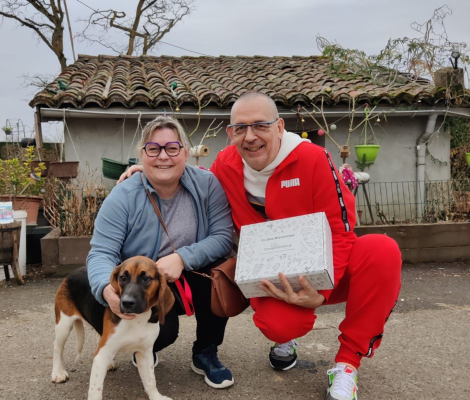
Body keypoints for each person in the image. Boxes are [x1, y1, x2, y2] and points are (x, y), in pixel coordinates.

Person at [120, 92, 402, 400]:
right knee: (279, 325)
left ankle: (348, 363)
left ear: (279, 127)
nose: (250, 136)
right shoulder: (226, 165)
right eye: (240, 128)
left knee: (382, 251)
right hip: (275, 275)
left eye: (260, 126)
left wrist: (319, 293)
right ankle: (286, 338)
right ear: (230, 134)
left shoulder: (312, 158)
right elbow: (195, 181)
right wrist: (144, 172)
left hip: (326, 270)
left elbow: (340, 228)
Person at [87, 116, 235, 389]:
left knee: (219, 274)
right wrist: (104, 289)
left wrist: (182, 258)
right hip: (143, 280)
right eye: (153, 149)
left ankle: (205, 352)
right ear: (142, 156)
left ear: (186, 153)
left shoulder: (207, 184)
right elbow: (101, 253)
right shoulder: (123, 196)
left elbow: (223, 236)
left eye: (172, 148)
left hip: (192, 270)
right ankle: (144, 348)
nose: (163, 157)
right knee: (163, 334)